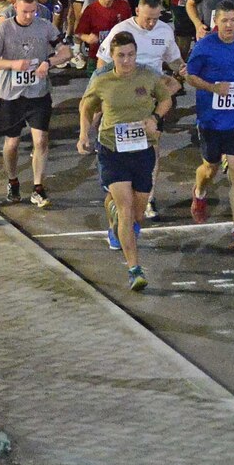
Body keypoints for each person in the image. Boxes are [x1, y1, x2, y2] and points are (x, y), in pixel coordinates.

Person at [77, 32, 175, 292]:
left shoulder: (147, 75)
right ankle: (134, 269)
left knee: (138, 215)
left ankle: (114, 212)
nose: (127, 60)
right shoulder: (101, 79)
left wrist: (154, 118)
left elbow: (166, 98)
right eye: (121, 55)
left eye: (131, 54)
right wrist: (83, 133)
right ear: (112, 55)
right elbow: (86, 106)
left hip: (142, 149)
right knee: (126, 208)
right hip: (112, 149)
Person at [0, 0, 70, 207]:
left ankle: (38, 187)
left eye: (32, 11)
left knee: (40, 140)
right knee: (11, 144)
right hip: (10, 95)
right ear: (16, 7)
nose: (29, 16)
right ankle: (12, 181)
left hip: (37, 93)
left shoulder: (44, 26)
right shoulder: (4, 27)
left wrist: (48, 63)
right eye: (24, 12)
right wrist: (13, 65)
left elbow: (66, 51)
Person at [184, 0, 234, 249]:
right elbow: (190, 76)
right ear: (215, 22)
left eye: (232, 20)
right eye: (224, 20)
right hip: (210, 119)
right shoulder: (205, 47)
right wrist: (212, 87)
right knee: (210, 168)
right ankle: (199, 193)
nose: (229, 25)